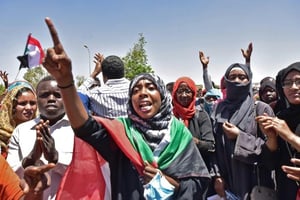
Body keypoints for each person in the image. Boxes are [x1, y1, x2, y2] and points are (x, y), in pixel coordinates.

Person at [42, 17, 211, 199]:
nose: (143, 93)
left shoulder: (179, 134)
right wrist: (66, 82)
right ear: (130, 101)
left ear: (163, 97)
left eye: (151, 87)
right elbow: (85, 127)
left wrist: (166, 182)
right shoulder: (122, 132)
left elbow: (197, 183)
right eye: (136, 90)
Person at [210, 62, 277, 199]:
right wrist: (217, 175)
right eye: (232, 77)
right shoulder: (219, 109)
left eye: (242, 77)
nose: (236, 81)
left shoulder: (261, 109)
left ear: (249, 81)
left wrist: (239, 137)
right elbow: (213, 147)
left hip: (255, 183)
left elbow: (272, 152)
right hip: (228, 182)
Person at [7, 76, 74, 200]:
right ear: (37, 99)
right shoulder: (21, 130)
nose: (51, 99)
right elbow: (10, 176)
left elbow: (87, 173)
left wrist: (56, 159)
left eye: (57, 95)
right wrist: (28, 161)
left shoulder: (78, 130)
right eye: (45, 95)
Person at [256, 61, 300, 199]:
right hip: (287, 191)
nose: (293, 87)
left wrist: (289, 136)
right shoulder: (280, 117)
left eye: (299, 81)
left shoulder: (282, 125)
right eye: (287, 82)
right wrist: (272, 138)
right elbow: (271, 164)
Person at [171, 76, 215, 198]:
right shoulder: (169, 118)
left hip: (198, 175)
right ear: (174, 94)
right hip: (174, 176)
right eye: (180, 91)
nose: (184, 95)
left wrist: (191, 141)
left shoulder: (201, 116)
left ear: (193, 93)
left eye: (188, 91)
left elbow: (210, 145)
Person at [78, 52, 130, 119]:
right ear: (123, 72)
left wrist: (94, 73)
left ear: (103, 75)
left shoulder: (95, 95)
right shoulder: (136, 90)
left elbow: (76, 97)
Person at [0, 80, 37, 158]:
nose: (29, 108)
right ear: (11, 106)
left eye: (32, 103)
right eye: (22, 103)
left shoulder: (40, 131)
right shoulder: (2, 135)